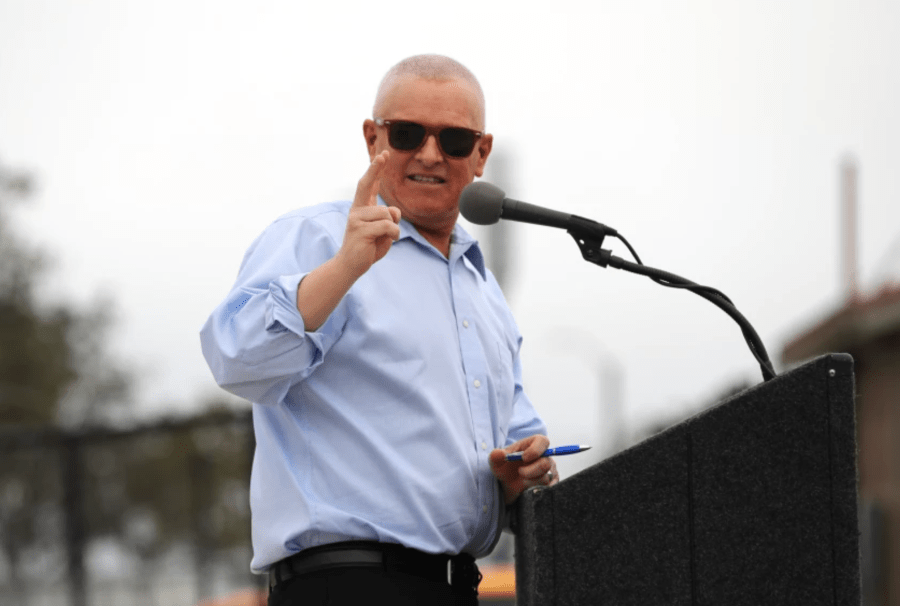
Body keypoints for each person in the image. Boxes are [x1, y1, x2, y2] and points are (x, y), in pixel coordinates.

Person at [200, 54, 558, 606]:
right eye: (408, 133)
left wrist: (522, 472)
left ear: (481, 154)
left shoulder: (483, 291)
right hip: (345, 584)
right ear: (373, 138)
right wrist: (346, 268)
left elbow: (517, 441)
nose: (431, 154)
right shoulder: (318, 238)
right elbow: (236, 361)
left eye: (455, 140)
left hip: (459, 585)